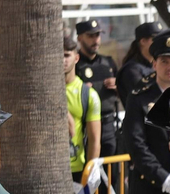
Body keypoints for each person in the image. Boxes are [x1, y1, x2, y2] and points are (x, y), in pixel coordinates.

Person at [121, 31, 170, 194]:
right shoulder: (139, 98)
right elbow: (136, 144)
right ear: (154, 64)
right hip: (148, 187)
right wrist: (163, 178)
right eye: (164, 61)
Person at [74, 18, 120, 158]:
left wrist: (117, 85)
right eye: (90, 36)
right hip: (84, 125)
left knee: (111, 165)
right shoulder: (75, 65)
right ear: (80, 38)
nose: (95, 40)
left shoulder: (108, 63)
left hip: (108, 123)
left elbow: (124, 93)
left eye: (97, 35)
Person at [64, 35, 101, 183]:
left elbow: (95, 140)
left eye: (66, 55)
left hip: (76, 170)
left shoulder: (88, 95)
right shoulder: (41, 92)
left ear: (76, 58)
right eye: (58, 56)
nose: (62, 60)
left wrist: (89, 175)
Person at [117, 22, 159, 96]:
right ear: (143, 41)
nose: (159, 43)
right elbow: (143, 97)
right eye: (156, 39)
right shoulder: (132, 70)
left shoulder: (154, 64)